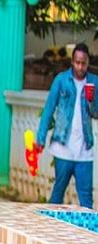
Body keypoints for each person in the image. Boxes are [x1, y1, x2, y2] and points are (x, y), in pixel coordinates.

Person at [36, 42, 98, 209]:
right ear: (72, 61)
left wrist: (91, 101)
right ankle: (49, 224)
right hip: (62, 148)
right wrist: (40, 138)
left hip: (84, 150)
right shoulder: (61, 80)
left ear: (88, 62)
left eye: (83, 63)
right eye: (77, 62)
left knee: (86, 199)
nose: (80, 67)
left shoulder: (94, 82)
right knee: (58, 193)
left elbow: (96, 113)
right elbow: (49, 109)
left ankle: (88, 227)